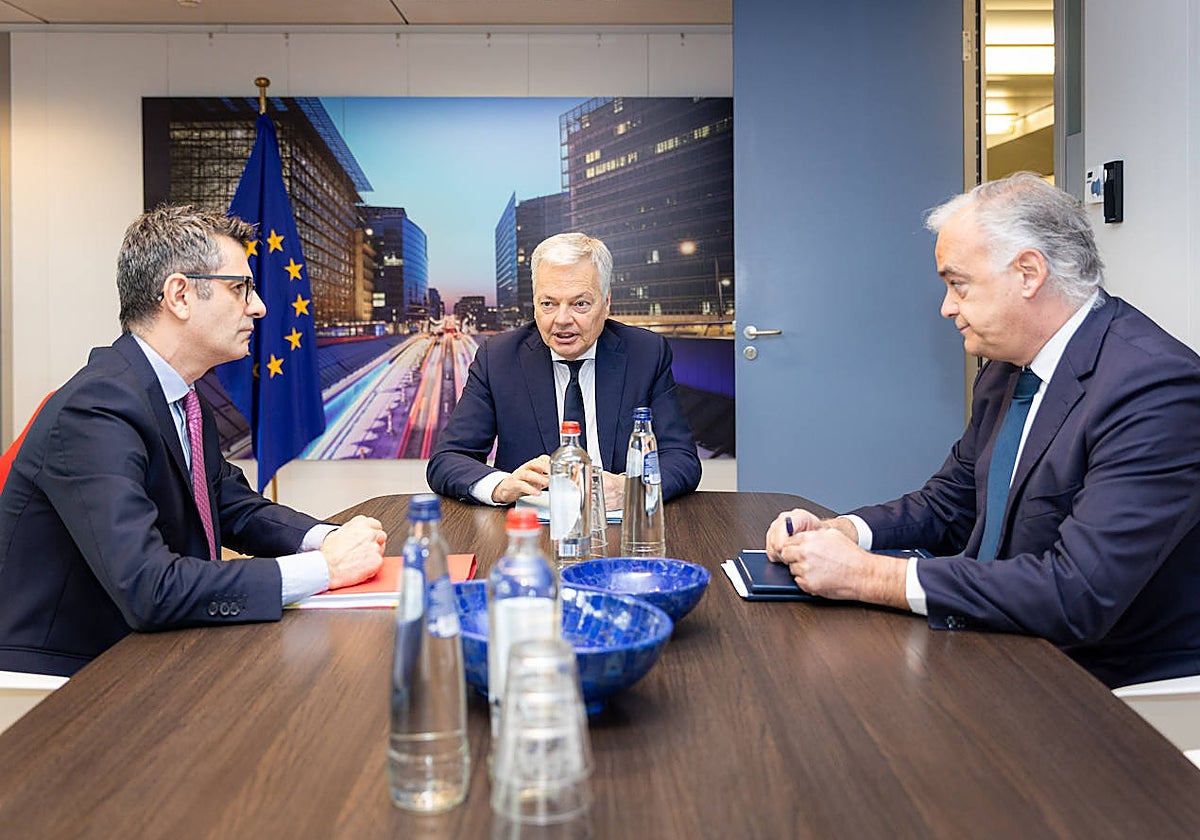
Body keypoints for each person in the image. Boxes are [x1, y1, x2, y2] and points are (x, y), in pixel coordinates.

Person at [765, 173, 1200, 689]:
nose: (947, 307)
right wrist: (844, 531)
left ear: (1028, 273)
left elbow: (1078, 595)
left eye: (958, 284)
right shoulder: (1005, 369)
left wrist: (868, 575)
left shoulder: (1154, 388)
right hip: (994, 636)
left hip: (1096, 679)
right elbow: (951, 504)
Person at [0, 205, 387, 677]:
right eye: (240, 288)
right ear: (180, 296)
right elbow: (148, 587)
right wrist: (325, 569)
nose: (259, 306)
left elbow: (231, 506)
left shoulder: (179, 394)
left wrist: (329, 539)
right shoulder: (96, 408)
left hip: (152, 652)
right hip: (68, 681)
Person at [426, 232, 701, 509]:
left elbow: (681, 458)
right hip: (530, 526)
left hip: (620, 523)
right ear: (535, 304)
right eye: (548, 304)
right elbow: (447, 459)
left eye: (580, 304)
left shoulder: (646, 353)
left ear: (606, 303)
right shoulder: (498, 358)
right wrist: (502, 485)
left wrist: (630, 489)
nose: (562, 320)